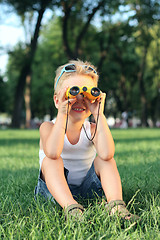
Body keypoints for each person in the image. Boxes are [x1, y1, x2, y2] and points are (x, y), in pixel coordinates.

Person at [35, 59, 139, 222]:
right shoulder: (47, 127)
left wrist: (99, 115)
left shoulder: (91, 129)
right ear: (57, 100)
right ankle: (71, 208)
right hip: (53, 192)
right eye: (73, 93)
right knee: (50, 161)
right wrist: (62, 114)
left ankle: (116, 206)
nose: (80, 100)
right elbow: (53, 152)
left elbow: (106, 154)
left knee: (106, 161)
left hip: (88, 189)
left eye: (87, 94)